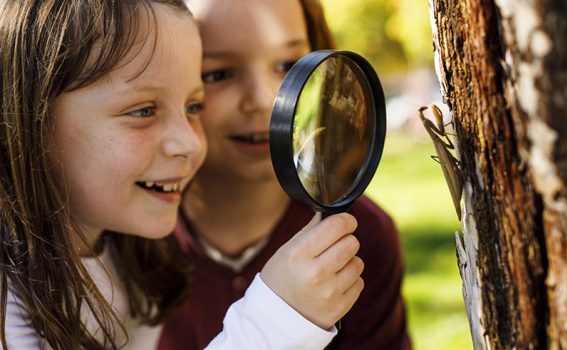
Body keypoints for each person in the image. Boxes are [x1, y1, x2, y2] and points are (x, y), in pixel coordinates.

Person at [0, 1, 365, 349]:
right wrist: (278, 323)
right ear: (29, 117)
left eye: (193, 107)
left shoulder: (130, 268)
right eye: (143, 111)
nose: (189, 143)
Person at [159, 0, 411, 349]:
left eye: (288, 66)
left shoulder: (358, 239)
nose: (263, 99)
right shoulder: (121, 238)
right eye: (217, 73)